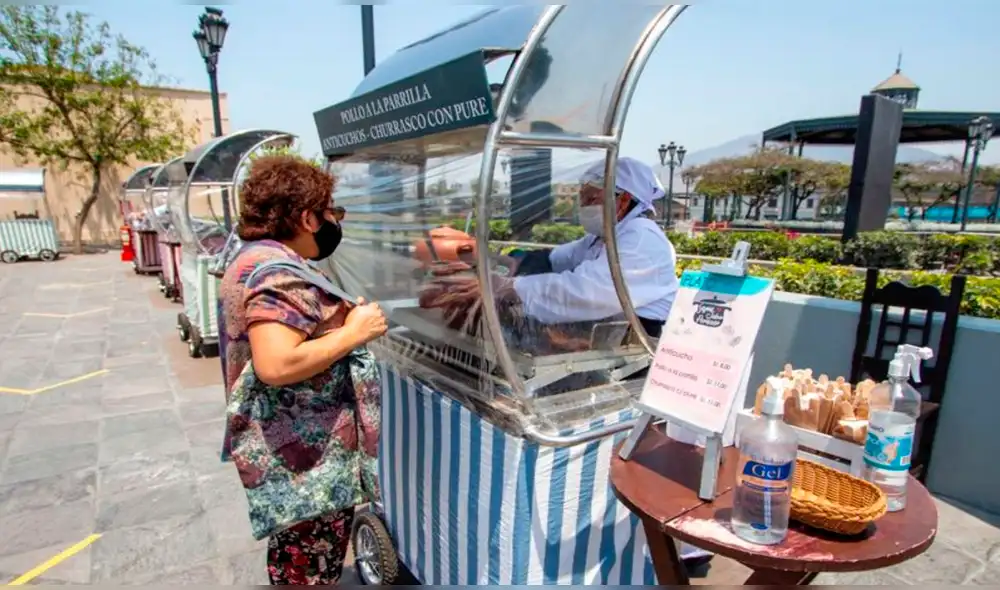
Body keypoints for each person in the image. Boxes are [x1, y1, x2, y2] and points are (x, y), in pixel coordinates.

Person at [218, 155, 388, 585]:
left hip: (290, 454)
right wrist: (355, 333)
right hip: (307, 463)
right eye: (333, 212)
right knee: (309, 569)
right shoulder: (278, 275)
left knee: (298, 562)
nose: (336, 222)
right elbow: (276, 364)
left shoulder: (254, 259)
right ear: (308, 217)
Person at [496, 157, 679, 338]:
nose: (584, 207)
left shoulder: (642, 238)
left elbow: (585, 292)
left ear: (623, 200)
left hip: (640, 346)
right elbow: (556, 258)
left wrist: (512, 288)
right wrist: (515, 259)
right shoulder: (601, 238)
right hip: (610, 336)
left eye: (592, 199)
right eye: (582, 199)